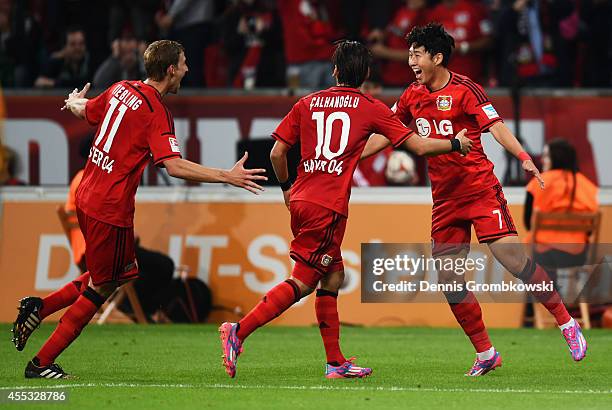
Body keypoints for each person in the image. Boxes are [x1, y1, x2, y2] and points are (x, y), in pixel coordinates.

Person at [11, 39, 267, 379]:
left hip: (87, 194)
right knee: (102, 285)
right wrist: (226, 176)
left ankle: (39, 310)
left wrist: (74, 100)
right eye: (184, 63)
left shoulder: (121, 89)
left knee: (116, 274)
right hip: (109, 206)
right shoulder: (155, 111)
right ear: (171, 70)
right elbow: (173, 166)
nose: (188, 70)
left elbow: (86, 110)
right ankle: (41, 361)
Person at [219, 40, 473, 379]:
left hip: (302, 198)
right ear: (366, 73)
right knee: (305, 281)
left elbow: (278, 153)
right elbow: (420, 146)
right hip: (328, 206)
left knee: (333, 274)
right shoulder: (371, 107)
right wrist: (456, 142)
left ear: (335, 70)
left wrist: (286, 188)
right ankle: (238, 330)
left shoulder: (307, 102)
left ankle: (336, 363)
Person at [361, 23, 587, 376]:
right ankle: (486, 354)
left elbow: (496, 127)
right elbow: (389, 133)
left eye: (417, 55)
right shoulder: (410, 96)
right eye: (409, 55)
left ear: (437, 57)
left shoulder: (466, 90)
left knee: (513, 260)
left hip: (480, 190)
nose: (411, 62)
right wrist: (349, 158)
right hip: (445, 200)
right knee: (450, 280)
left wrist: (524, 157)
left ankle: (566, 323)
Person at [524, 138, 599, 275]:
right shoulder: (587, 186)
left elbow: (528, 223)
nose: (542, 160)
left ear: (556, 158)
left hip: (543, 253)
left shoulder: (538, 183)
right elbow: (589, 230)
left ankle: (545, 293)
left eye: (546, 156)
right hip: (577, 254)